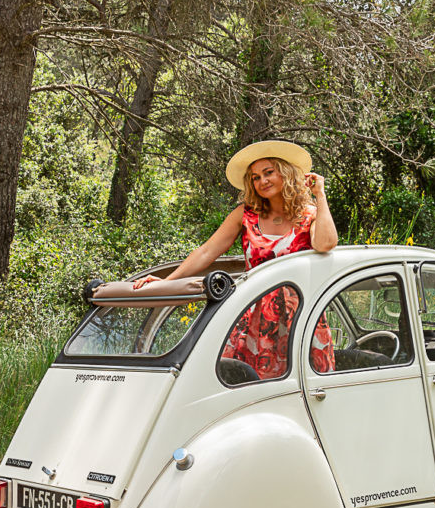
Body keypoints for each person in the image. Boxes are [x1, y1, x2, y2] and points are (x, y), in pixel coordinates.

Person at [133, 140, 337, 376]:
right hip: (254, 317)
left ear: (286, 173)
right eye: (255, 177)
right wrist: (167, 281)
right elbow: (206, 252)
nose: (262, 181)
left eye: (268, 173)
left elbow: (326, 243)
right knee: (244, 384)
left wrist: (320, 195)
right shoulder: (246, 215)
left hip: (302, 316)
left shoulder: (309, 215)